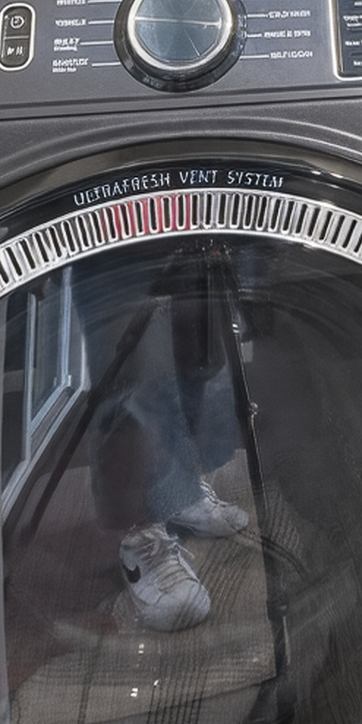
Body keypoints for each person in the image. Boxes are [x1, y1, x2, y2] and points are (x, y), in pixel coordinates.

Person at [76, 251, 251, 632]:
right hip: (114, 222)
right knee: (131, 374)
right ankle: (142, 534)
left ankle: (179, 493)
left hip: (194, 212)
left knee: (200, 354)